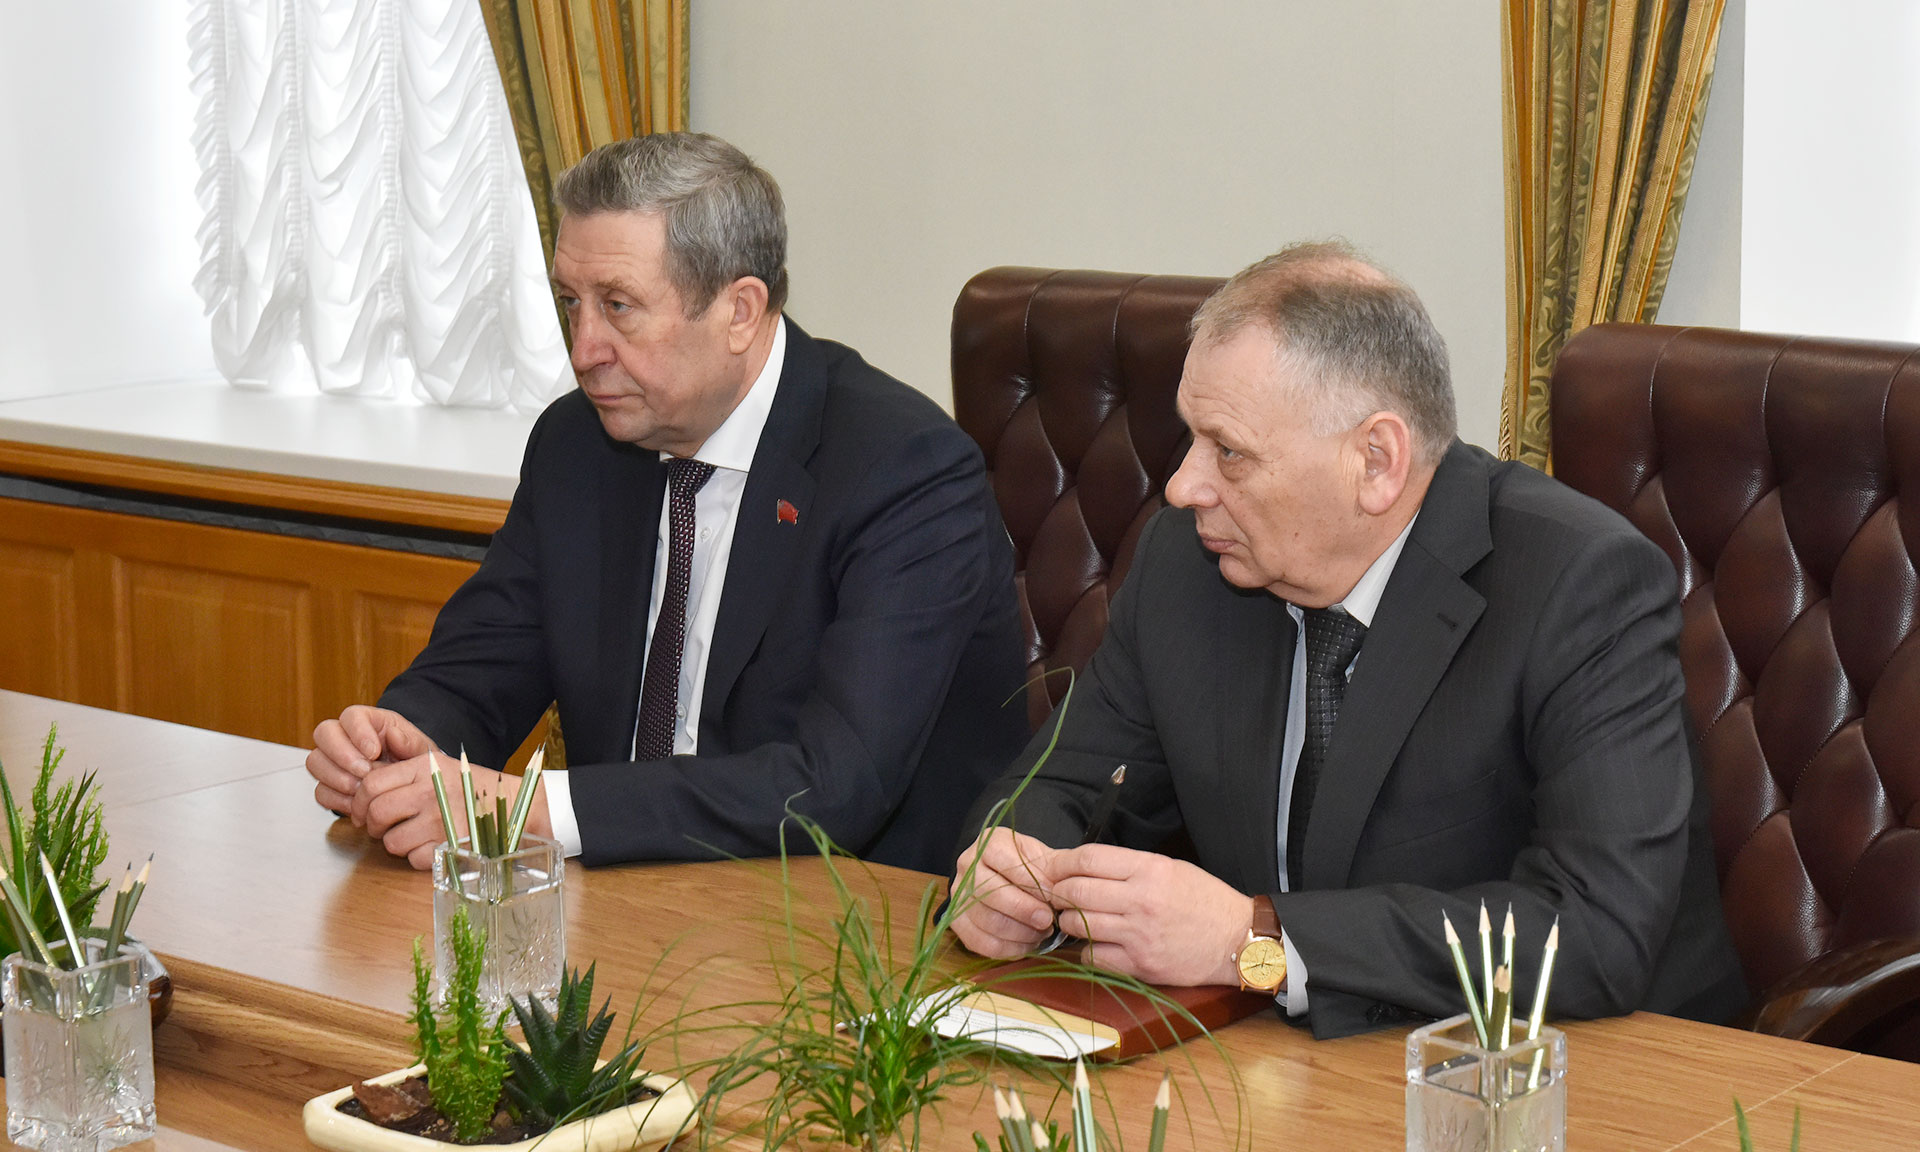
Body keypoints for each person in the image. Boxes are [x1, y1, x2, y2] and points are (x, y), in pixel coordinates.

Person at [949, 242, 1748, 1039]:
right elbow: (1063, 785)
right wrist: (1014, 875)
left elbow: (1594, 931)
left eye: (1229, 451)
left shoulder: (1578, 586)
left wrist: (1252, 944)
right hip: (1283, 1063)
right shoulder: (1184, 566)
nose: (1184, 486)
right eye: (1191, 438)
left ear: (1376, 461)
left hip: (1580, 1064)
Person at [306, 133, 1028, 875]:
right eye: (571, 303)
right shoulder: (577, 444)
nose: (584, 350)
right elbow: (484, 663)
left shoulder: (903, 470)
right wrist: (400, 743)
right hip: (623, 893)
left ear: (740, 311)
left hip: (843, 912)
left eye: (619, 306)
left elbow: (834, 785)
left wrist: (533, 811)